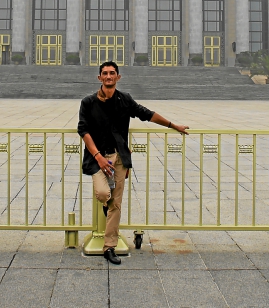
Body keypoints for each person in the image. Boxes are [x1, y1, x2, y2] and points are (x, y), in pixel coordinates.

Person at [77, 60, 189, 265]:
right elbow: (83, 130)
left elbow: (147, 114)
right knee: (103, 194)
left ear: (118, 77)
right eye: (105, 73)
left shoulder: (124, 100)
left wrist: (173, 125)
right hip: (99, 158)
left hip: (119, 158)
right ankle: (107, 207)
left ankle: (109, 247)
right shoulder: (88, 102)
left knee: (116, 204)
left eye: (112, 73)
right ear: (99, 77)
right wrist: (98, 157)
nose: (109, 76)